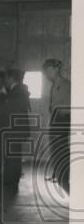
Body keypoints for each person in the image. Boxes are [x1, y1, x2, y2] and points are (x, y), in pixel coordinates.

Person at [1, 68, 32, 191]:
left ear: (11, 78)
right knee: (14, 154)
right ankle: (13, 179)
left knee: (12, 154)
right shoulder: (20, 89)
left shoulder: (16, 91)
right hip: (17, 128)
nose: (5, 81)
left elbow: (11, 109)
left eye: (6, 78)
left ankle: (11, 180)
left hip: (14, 128)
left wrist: (4, 98)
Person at [43, 58, 71, 193]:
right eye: (45, 71)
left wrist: (57, 108)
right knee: (55, 151)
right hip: (55, 120)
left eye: (49, 70)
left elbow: (71, 106)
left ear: (56, 69)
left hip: (63, 120)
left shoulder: (66, 85)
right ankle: (59, 175)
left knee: (62, 151)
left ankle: (64, 178)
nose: (47, 74)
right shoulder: (54, 85)